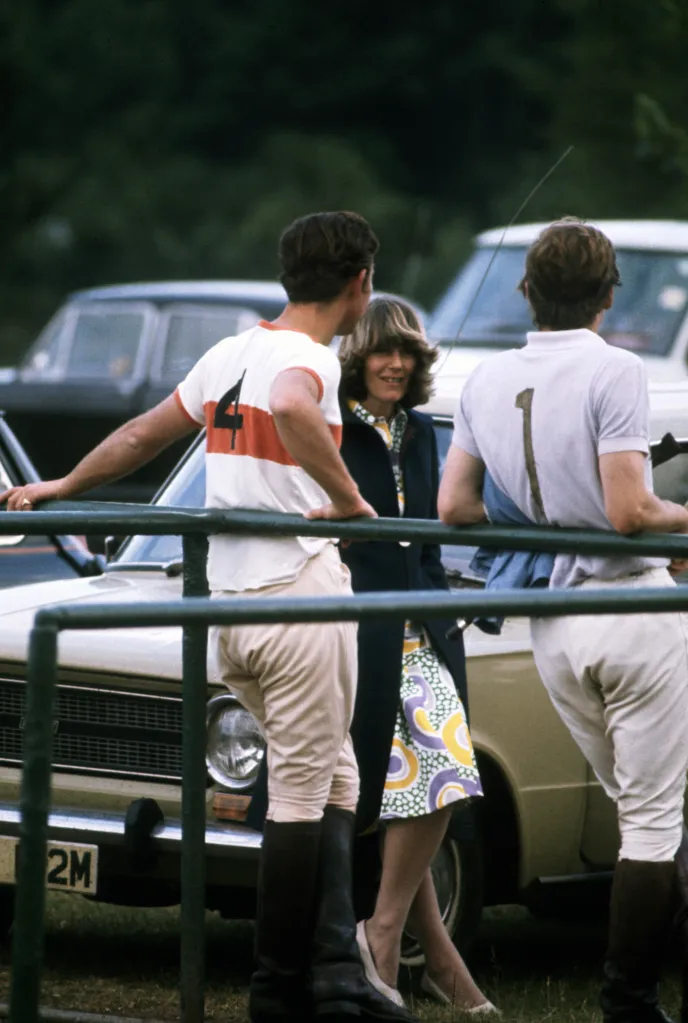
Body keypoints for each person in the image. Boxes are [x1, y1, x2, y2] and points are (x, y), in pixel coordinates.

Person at [2, 211, 417, 1023]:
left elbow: (139, 434)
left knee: (336, 771)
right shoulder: (310, 362)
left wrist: (59, 487)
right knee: (301, 787)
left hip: (229, 605)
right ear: (360, 285)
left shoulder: (231, 352)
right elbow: (297, 408)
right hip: (297, 593)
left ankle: (338, 970)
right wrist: (349, 499)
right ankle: (278, 988)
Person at [438, 216, 688, 1023]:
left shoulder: (482, 380)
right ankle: (629, 1002)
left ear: (526, 292)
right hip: (630, 607)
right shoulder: (614, 370)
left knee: (643, 814)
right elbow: (628, 510)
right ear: (608, 295)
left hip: (555, 626)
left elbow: (456, 507)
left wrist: (541, 512)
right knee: (651, 826)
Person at [334, 297, 498, 1015]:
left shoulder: (424, 430)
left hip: (422, 627)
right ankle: (428, 956)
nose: (396, 364)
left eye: (407, 352)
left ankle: (387, 935)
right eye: (382, 351)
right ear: (357, 357)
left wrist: (440, 616)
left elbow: (430, 540)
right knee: (425, 779)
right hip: (358, 628)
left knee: (441, 773)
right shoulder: (333, 426)